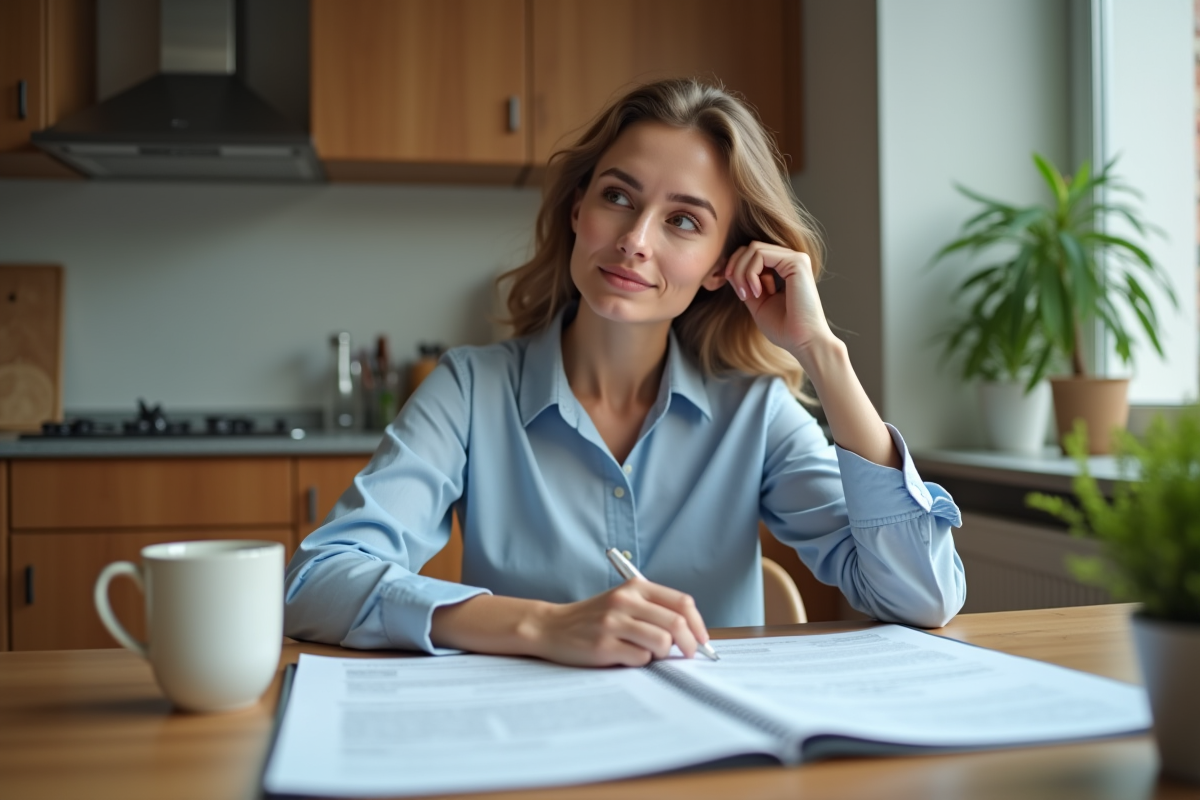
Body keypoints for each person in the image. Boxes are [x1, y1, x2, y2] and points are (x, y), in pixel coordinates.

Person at [284, 78, 965, 667]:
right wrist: (542, 626)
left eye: (683, 221)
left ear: (721, 267)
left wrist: (824, 353)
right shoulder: (469, 390)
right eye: (618, 197)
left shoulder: (755, 414)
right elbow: (316, 582)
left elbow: (922, 599)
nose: (635, 240)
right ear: (578, 210)